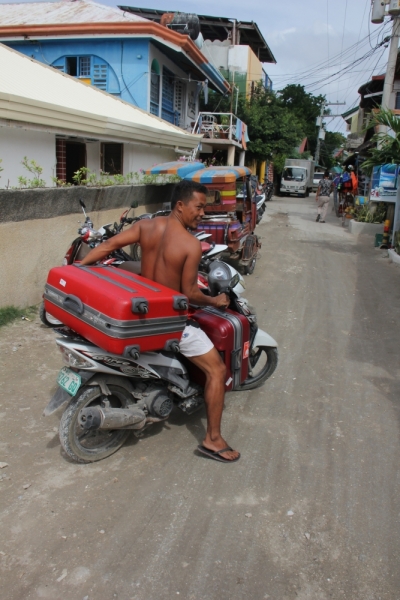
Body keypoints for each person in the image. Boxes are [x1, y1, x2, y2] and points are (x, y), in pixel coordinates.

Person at [80, 180, 240, 463]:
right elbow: (190, 293)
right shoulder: (191, 244)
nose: (202, 213)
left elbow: (108, 246)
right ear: (181, 205)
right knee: (216, 370)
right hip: (170, 324)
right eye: (199, 207)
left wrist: (79, 268)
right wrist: (216, 301)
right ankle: (212, 439)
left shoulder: (144, 227)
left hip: (141, 317)